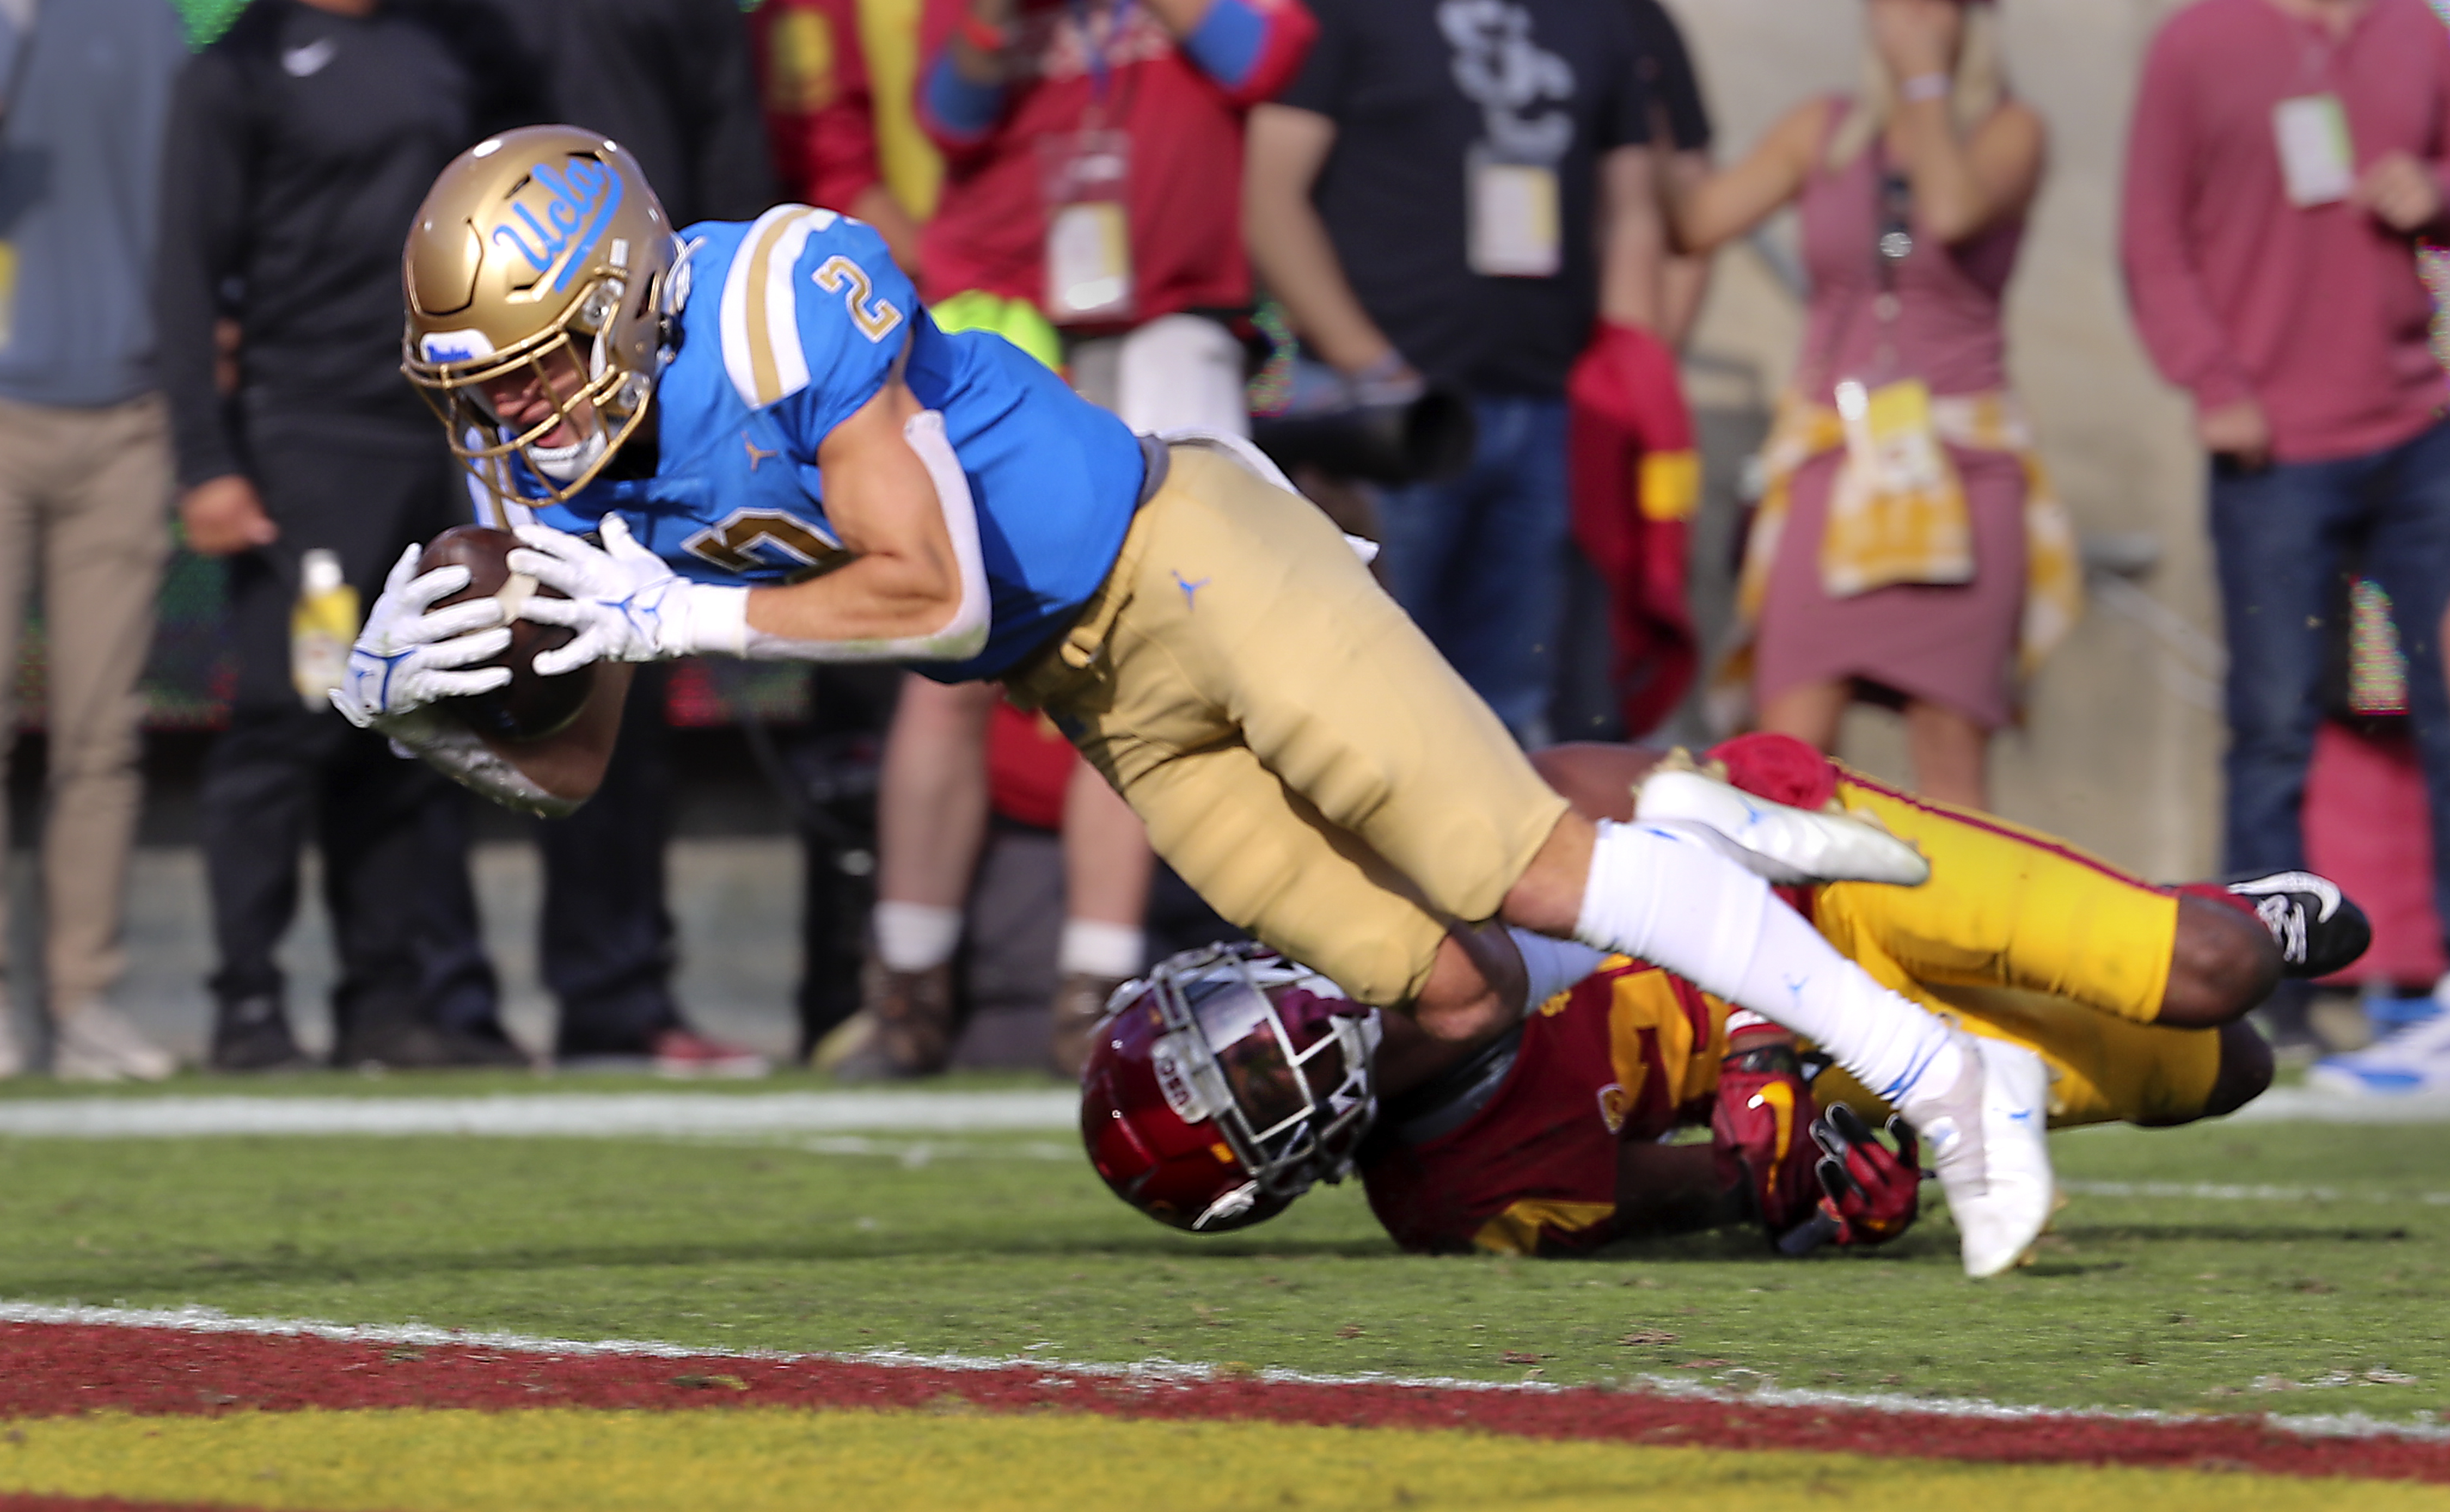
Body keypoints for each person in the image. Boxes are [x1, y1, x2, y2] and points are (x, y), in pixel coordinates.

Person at [356, 126, 2057, 1277]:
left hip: (1188, 559)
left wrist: (684, 613)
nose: (525, 413)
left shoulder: (776, 292)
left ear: (637, 291)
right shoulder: (552, 478)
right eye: (490, 385)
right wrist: (427, 713)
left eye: (540, 361)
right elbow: (569, 774)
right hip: (1089, 693)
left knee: (1517, 864)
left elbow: (930, 580)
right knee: (1430, 975)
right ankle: (1680, 829)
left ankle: (1943, 1070)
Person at [1082, 734, 2360, 1256]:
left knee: (2212, 972)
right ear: (1290, 1154)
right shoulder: (1453, 1197)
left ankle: (2210, 910)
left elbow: (1686, 794)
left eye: (1225, 1027)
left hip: (1825, 875)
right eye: (1250, 1079)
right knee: (2225, 1070)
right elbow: (1711, 1190)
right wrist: (1822, 1189)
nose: (1272, 1035)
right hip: (1836, 1064)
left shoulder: (1385, 860)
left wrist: (1759, 1033)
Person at [155, 0, 535, 1071]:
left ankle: (387, 1003)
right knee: (293, 718)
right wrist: (206, 461)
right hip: (306, 460)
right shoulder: (238, 70)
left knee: (414, 720)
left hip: (435, 448)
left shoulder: (452, 43)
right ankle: (248, 1005)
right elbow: (185, 276)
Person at [416, 0, 780, 1076]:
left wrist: (712, 358)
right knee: (460, 659)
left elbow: (731, 154)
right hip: (497, 380)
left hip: (648, 370)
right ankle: (443, 1002)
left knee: (623, 684)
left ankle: (616, 995)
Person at [2121, 0, 2450, 1092]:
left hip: (2419, 431)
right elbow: (2151, 238)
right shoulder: (2196, 43)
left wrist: (2436, 194)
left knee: (2446, 702)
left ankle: (2441, 999)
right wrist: (2215, 384)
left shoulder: (2420, 32)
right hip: (2270, 449)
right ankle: (2267, 1001)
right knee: (2270, 726)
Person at [1663, 0, 2074, 812]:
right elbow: (1698, 223)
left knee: (1950, 751)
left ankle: (1954, 933)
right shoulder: (1821, 128)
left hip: (1962, 466)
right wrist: (1644, 109)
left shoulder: (2012, 131)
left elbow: (1952, 210)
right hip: (1832, 458)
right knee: (1788, 747)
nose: (1904, 19)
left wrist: (1923, 85)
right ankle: (1802, 930)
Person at [1242, 0, 1663, 744]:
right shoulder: (1344, 11)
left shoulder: (1599, 17)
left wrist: (1633, 382)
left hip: (1547, 408)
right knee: (1366, 693)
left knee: (1509, 701)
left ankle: (1501, 864)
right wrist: (1373, 367)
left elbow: (1631, 209)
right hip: (1389, 417)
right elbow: (1271, 195)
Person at [0, 0, 189, 1080]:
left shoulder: (163, 23)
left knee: (100, 738)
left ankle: (84, 1001)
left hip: (127, 420)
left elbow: (193, 205)